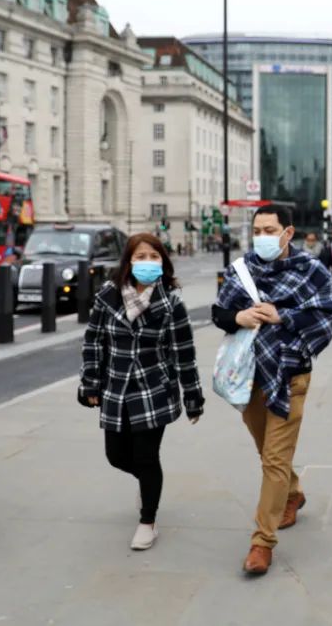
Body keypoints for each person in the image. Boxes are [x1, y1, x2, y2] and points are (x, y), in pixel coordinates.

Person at [211, 206, 332, 576]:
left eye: (270, 229)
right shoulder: (241, 270)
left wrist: (283, 315)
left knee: (273, 459)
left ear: (288, 233)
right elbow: (218, 313)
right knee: (267, 450)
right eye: (257, 229)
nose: (262, 236)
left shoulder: (311, 270)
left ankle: (261, 542)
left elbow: (328, 313)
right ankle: (293, 494)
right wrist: (239, 317)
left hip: (290, 373)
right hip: (248, 374)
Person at [78, 233, 204, 551]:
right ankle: (148, 485)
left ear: (163, 262)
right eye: (140, 256)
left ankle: (148, 520)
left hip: (154, 390)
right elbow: (93, 341)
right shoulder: (108, 296)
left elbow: (184, 354)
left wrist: (193, 398)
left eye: (153, 257)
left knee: (147, 457)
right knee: (116, 456)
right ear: (128, 262)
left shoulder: (172, 304)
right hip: (116, 388)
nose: (147, 262)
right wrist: (90, 382)